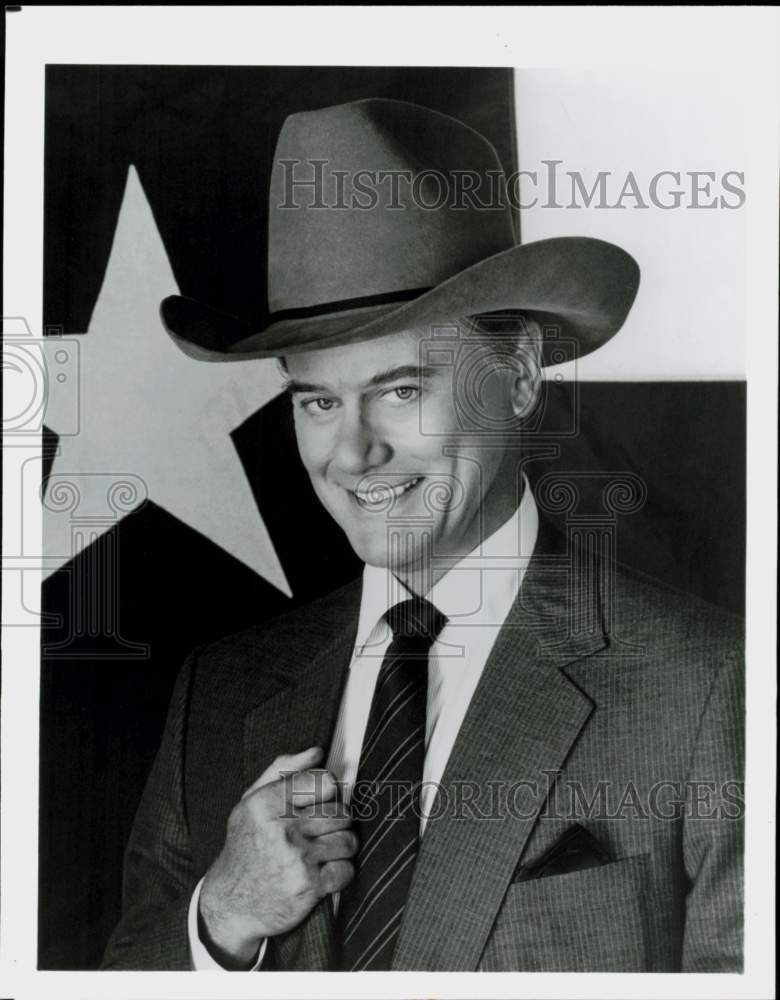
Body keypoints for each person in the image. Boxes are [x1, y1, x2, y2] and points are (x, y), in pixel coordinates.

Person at [102, 98, 744, 972]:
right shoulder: (218, 695)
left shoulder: (709, 689)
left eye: (401, 391)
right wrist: (221, 920)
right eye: (319, 402)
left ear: (517, 377)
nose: (354, 452)